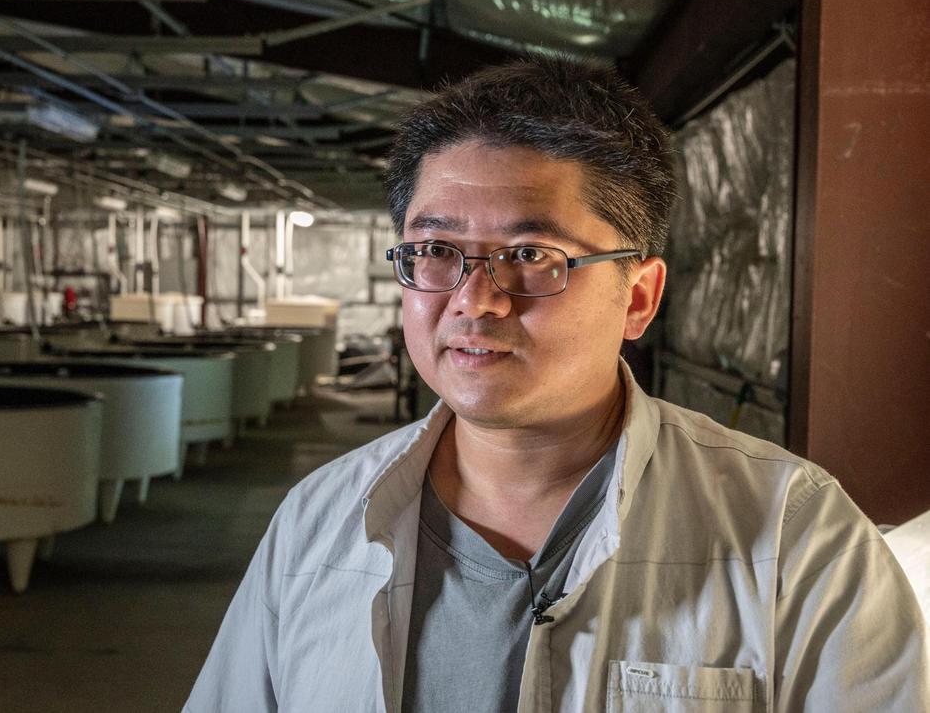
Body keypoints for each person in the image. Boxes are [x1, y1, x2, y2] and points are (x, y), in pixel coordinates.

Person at [186, 56, 929, 712]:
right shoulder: (320, 524)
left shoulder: (792, 534)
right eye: (436, 249)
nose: (475, 300)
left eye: (533, 254)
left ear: (638, 298)